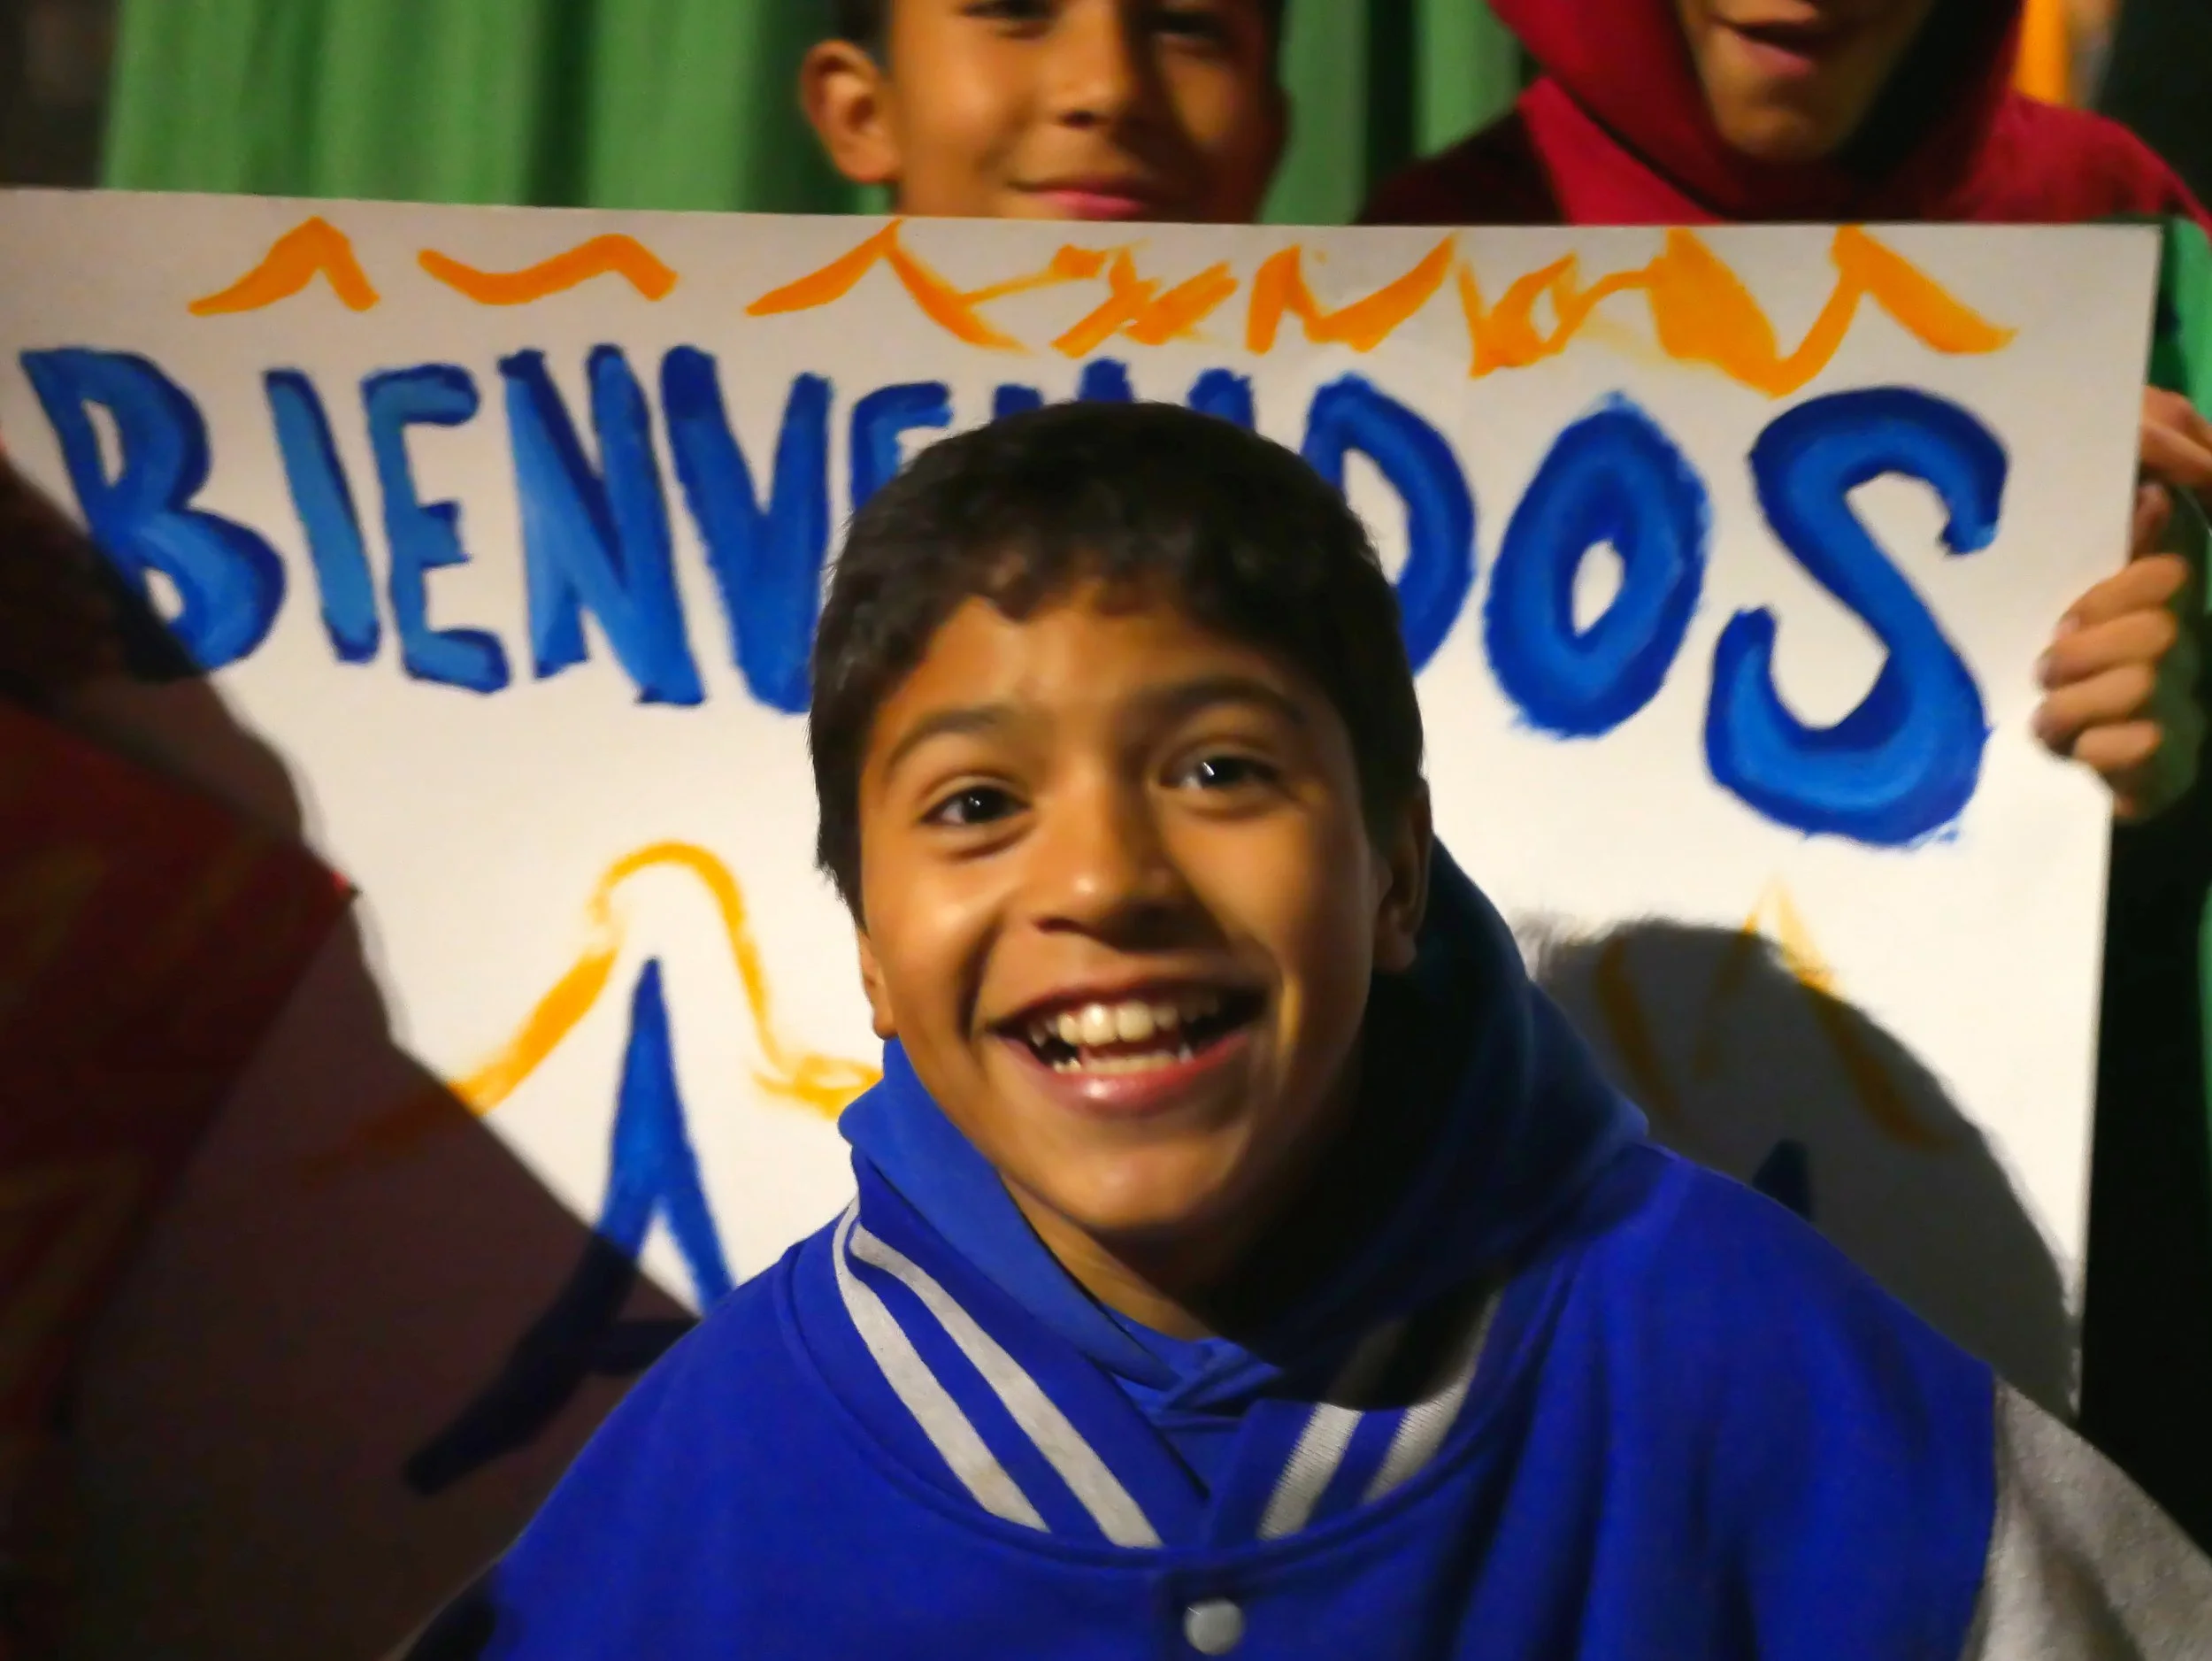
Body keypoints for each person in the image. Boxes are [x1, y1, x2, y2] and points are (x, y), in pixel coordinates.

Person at [396, 399, 2212, 1658]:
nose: (1102, 878)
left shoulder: (1743, 1360)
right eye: (970, 804)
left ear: (1395, 874)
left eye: (1217, 768)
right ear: (867, 950)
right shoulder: (720, 1468)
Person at [1361, 0, 2212, 1538]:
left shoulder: (2131, 231)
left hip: (2056, 1363)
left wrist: (2178, 757)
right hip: (1546, 1386)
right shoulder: (1443, 245)